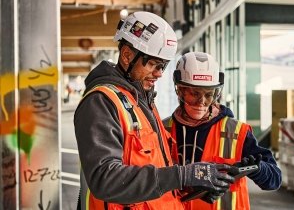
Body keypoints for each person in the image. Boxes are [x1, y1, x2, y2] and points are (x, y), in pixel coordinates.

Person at [74, 12, 235, 210]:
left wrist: (190, 186)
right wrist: (181, 175)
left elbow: (155, 171)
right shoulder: (102, 102)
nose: (159, 73)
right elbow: (105, 180)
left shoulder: (141, 101)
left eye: (163, 66)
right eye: (153, 64)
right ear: (127, 55)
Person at [163, 51, 282, 210]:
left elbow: (274, 180)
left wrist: (259, 169)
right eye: (194, 94)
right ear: (180, 90)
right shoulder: (162, 129)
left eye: (209, 94)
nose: (202, 102)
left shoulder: (237, 132)